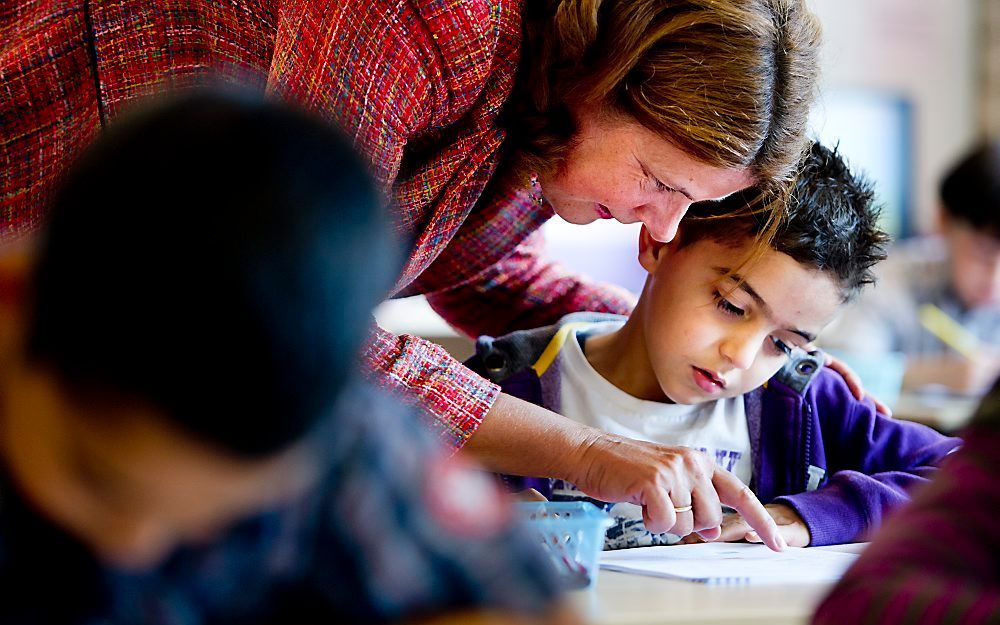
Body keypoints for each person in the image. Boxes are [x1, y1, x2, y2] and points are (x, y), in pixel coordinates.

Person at [0, 0, 831, 542]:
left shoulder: (554, 134)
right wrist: (583, 449)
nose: (663, 226)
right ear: (609, 78)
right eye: (659, 182)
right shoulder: (428, 23)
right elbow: (288, 308)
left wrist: (640, 342)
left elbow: (464, 266)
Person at [0, 92, 571, 624]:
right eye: (95, 478)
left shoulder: (352, 443)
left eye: (216, 520)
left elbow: (523, 602)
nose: (133, 545)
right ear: (13, 296)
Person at [467, 143, 961, 549]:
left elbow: (970, 476)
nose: (742, 356)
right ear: (659, 244)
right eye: (730, 304)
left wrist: (812, 515)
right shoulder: (501, 388)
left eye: (782, 345)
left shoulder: (803, 404)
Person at [812, 381, 1000, 625]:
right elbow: (862, 604)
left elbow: (944, 458)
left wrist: (815, 514)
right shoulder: (821, 390)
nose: (744, 359)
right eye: (778, 341)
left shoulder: (821, 392)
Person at [822, 141, 1000, 396]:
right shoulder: (887, 280)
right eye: (983, 252)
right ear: (943, 221)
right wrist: (938, 374)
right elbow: (835, 371)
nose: (995, 277)